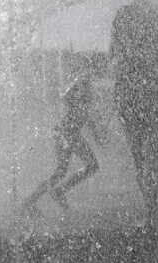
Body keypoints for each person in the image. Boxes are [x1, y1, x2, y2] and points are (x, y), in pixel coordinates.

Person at [110, 1, 158, 225]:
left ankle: (150, 209)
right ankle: (150, 208)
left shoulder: (126, 29)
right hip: (150, 99)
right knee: (150, 158)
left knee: (141, 159)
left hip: (136, 100)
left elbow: (115, 62)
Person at [22, 57, 105, 213]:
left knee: (61, 171)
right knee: (91, 165)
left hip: (64, 131)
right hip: (68, 132)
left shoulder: (86, 84)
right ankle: (58, 192)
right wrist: (75, 93)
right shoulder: (83, 82)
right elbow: (66, 98)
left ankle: (31, 200)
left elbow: (86, 116)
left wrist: (97, 134)